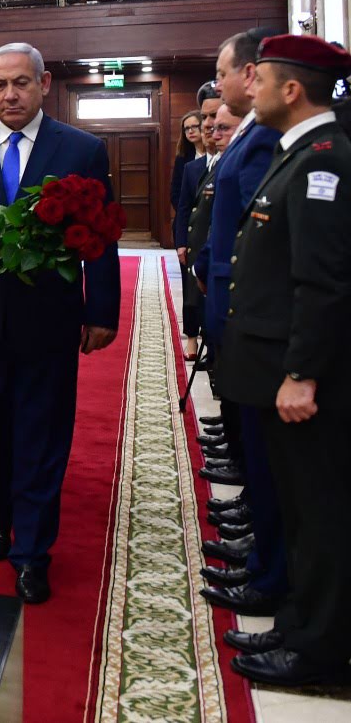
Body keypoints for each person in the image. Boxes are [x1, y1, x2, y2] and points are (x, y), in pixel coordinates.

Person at [0, 42, 121, 605]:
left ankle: (32, 552)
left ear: (43, 83)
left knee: (42, 437)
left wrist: (101, 311)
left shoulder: (81, 150)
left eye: (21, 84)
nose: (10, 95)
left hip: (47, 322)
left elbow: (100, 235)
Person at [219, 35, 351, 687]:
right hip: (280, 371)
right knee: (300, 513)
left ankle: (320, 651)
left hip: (306, 381)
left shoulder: (323, 161)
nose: (253, 87)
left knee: (320, 518)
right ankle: (299, 626)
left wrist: (301, 373)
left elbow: (322, 282)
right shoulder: (297, 155)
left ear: (290, 89)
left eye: (261, 78)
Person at [194, 27, 288, 619]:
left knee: (273, 457)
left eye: (224, 71)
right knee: (257, 447)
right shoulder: (255, 136)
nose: (221, 83)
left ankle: (269, 572)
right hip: (236, 305)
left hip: (254, 314)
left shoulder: (262, 142)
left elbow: (262, 238)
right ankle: (260, 551)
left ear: (251, 74)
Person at [174, 86, 222, 359]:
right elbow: (181, 206)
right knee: (192, 293)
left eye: (209, 119)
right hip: (194, 238)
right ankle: (194, 338)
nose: (205, 127)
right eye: (202, 121)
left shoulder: (222, 162)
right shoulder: (192, 166)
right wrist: (181, 241)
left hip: (213, 239)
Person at [171, 107, 204, 241]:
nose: (190, 131)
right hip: (186, 219)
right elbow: (175, 191)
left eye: (194, 127)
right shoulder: (183, 157)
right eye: (186, 128)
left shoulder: (215, 154)